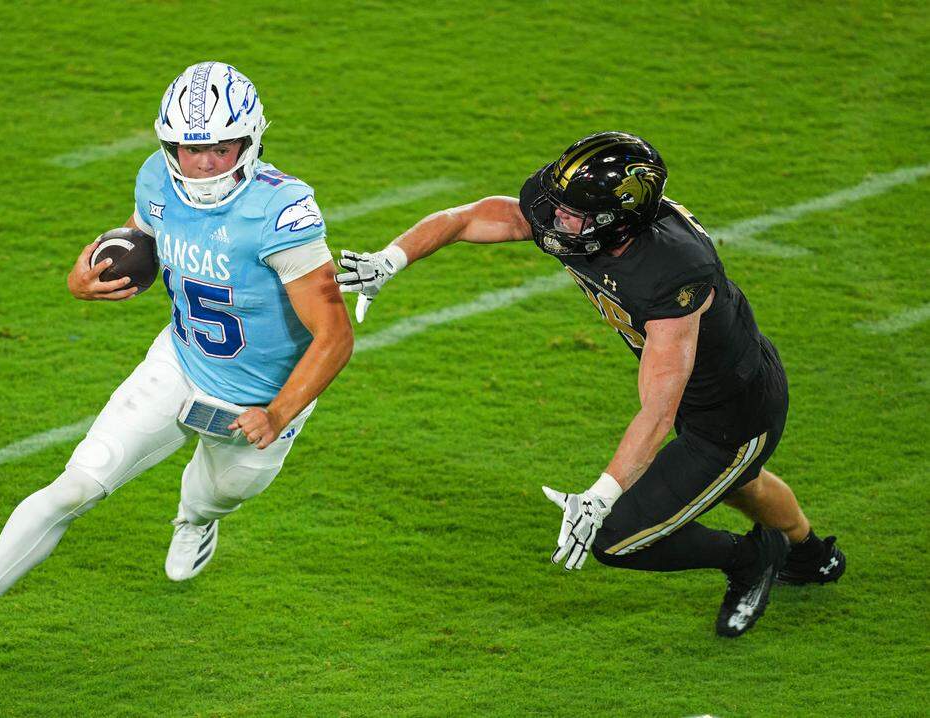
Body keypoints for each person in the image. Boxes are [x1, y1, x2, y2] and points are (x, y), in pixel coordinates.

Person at [0, 61, 353, 666]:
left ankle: (196, 517)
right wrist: (86, 280)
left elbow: (335, 334)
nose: (204, 163)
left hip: (265, 395)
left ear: (250, 140)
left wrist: (279, 409)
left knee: (221, 493)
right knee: (73, 486)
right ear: (170, 144)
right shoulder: (157, 179)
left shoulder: (281, 211)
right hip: (180, 362)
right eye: (190, 147)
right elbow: (140, 241)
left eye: (220, 147)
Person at [335, 131, 844, 637]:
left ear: (617, 222)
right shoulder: (583, 218)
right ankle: (812, 555)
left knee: (619, 538)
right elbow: (470, 217)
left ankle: (751, 557)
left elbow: (657, 412)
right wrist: (392, 258)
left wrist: (601, 494)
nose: (556, 220)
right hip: (709, 390)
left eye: (573, 214)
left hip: (733, 414)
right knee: (738, 483)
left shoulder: (675, 275)